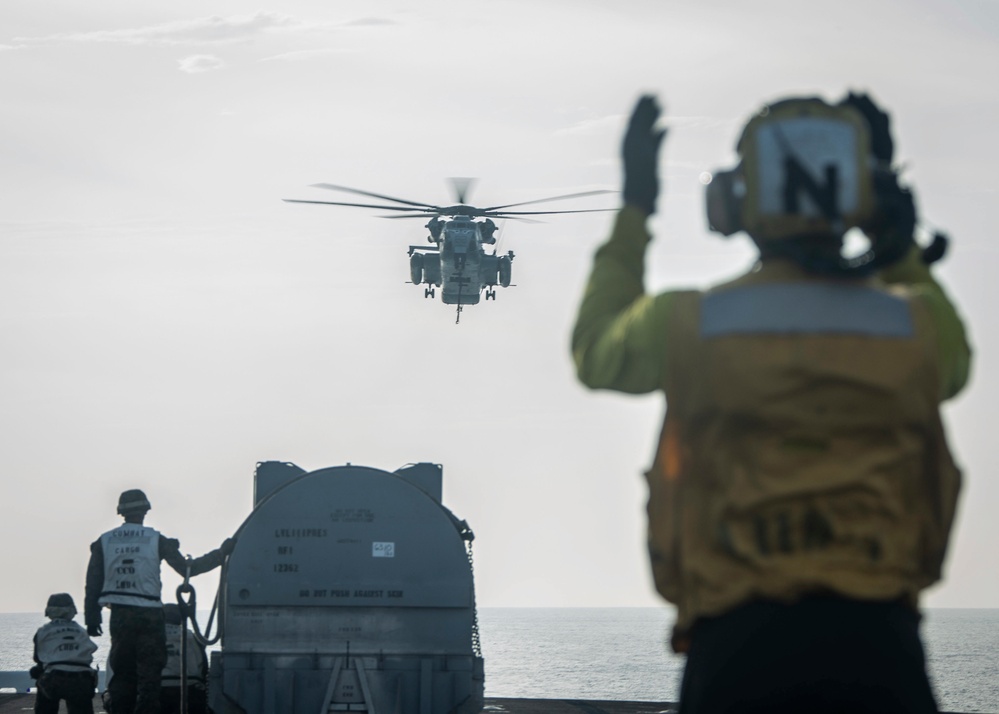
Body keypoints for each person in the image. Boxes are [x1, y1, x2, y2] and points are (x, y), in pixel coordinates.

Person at [571, 93, 971, 714]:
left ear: (733, 202)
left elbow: (595, 352)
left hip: (735, 655)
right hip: (880, 653)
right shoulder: (917, 328)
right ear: (863, 199)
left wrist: (635, 210)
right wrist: (897, 244)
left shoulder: (687, 323)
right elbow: (954, 367)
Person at [84, 489, 235, 714]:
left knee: (123, 675)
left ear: (121, 512)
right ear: (145, 511)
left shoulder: (104, 542)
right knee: (150, 678)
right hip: (150, 616)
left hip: (120, 617)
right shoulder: (156, 540)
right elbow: (188, 569)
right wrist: (220, 554)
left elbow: (93, 582)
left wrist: (92, 617)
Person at [31, 593, 98, 714]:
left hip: (55, 679)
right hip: (81, 680)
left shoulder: (44, 631)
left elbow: (38, 658)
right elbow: (89, 652)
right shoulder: (81, 631)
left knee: (42, 682)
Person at [160, 603, 208, 714]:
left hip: (159, 691)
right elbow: (204, 668)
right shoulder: (193, 638)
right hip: (190, 692)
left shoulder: (152, 636)